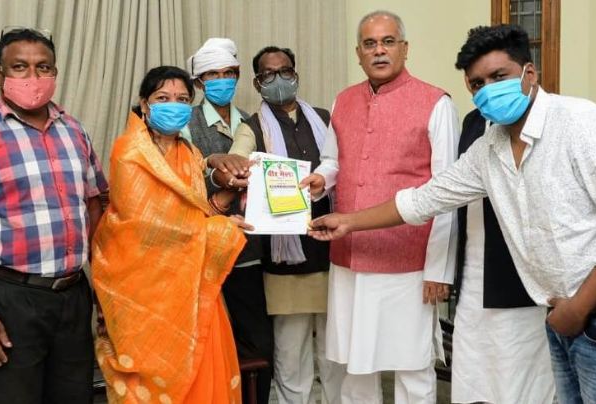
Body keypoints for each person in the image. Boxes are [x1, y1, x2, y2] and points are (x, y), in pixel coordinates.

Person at [309, 24, 596, 404]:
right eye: (478, 83)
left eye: (499, 76)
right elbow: (425, 199)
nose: (489, 89)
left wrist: (580, 307)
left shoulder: (586, 124)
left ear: (529, 73)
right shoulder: (489, 147)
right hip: (557, 309)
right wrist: (348, 221)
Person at [0, 27, 108, 403]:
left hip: (73, 294)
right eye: (20, 67)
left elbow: (95, 204)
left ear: (55, 72)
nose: (33, 77)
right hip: (10, 298)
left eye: (43, 67)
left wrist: (105, 293)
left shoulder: (74, 131)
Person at [297, 10, 459, 404]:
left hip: (408, 261)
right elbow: (333, 161)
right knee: (355, 364)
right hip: (349, 258)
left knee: (412, 365)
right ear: (358, 53)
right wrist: (322, 179)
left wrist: (439, 269)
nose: (379, 51)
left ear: (405, 48)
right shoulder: (343, 100)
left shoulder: (436, 102)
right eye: (370, 44)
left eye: (388, 42)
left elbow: (448, 191)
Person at [91, 65, 247, 404]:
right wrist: (218, 229)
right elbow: (145, 226)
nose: (173, 105)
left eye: (182, 99)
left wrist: (230, 194)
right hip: (142, 290)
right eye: (163, 98)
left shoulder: (189, 153)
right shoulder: (129, 151)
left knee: (204, 376)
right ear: (144, 104)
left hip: (192, 285)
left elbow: (196, 213)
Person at [212, 45, 345, 404]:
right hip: (285, 257)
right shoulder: (251, 127)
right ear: (258, 83)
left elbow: (343, 163)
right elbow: (237, 157)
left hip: (332, 250)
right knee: (291, 353)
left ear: (295, 75)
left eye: (285, 71)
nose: (279, 79)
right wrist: (232, 169)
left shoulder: (324, 118)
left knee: (335, 353)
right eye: (269, 74)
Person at [185, 37, 274, 404]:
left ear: (237, 76)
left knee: (258, 345)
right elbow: (181, 181)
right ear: (198, 81)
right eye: (212, 75)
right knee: (207, 347)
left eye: (228, 73)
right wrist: (218, 178)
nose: (221, 80)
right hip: (201, 252)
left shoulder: (254, 123)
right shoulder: (185, 123)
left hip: (247, 251)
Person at [451, 107, 555, 404]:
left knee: (518, 375)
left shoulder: (541, 119)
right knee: (473, 373)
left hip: (518, 276)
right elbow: (451, 187)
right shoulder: (473, 121)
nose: (486, 89)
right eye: (476, 84)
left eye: (496, 82)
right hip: (473, 272)